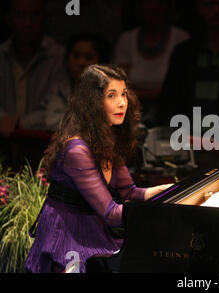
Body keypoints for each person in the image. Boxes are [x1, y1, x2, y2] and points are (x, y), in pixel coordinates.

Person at [24, 64, 173, 273]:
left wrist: (157, 193)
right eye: (111, 96)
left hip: (92, 229)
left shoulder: (108, 140)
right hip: (66, 237)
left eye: (124, 94)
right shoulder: (77, 150)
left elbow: (128, 192)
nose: (122, 103)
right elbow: (111, 213)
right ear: (92, 103)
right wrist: (154, 211)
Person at [113, 0, 190, 126]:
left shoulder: (181, 39)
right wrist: (158, 93)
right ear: (139, 8)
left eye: (159, 2)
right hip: (129, 117)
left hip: (174, 118)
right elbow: (119, 88)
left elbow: (180, 90)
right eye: (148, 2)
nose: (154, 6)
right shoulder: (126, 40)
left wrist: (140, 92)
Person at [0, 0, 65, 136]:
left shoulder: (60, 56)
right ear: (9, 19)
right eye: (20, 16)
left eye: (34, 16)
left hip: (44, 146)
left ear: (44, 18)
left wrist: (20, 122)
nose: (28, 23)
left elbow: (61, 108)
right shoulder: (1, 54)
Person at [44, 33, 111, 130]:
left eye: (89, 57)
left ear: (101, 62)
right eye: (76, 56)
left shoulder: (111, 90)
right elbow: (51, 121)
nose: (81, 62)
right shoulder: (60, 86)